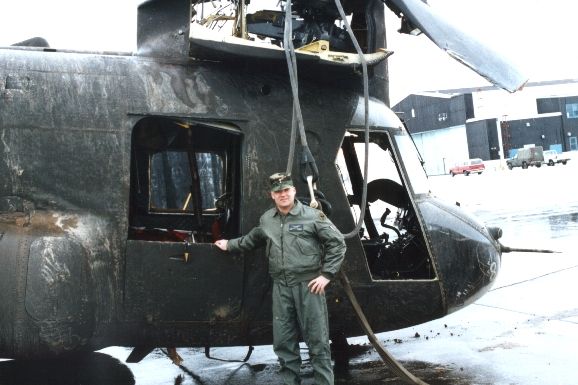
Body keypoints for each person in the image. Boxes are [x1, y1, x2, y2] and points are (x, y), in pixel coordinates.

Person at [214, 172, 346, 385]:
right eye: (278, 191)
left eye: (286, 190)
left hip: (309, 286)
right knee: (284, 343)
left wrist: (326, 275)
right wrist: (229, 244)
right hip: (281, 287)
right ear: (272, 195)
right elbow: (253, 239)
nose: (283, 194)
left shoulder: (312, 216)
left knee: (317, 342)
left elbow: (338, 243)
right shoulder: (267, 220)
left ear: (294, 191)